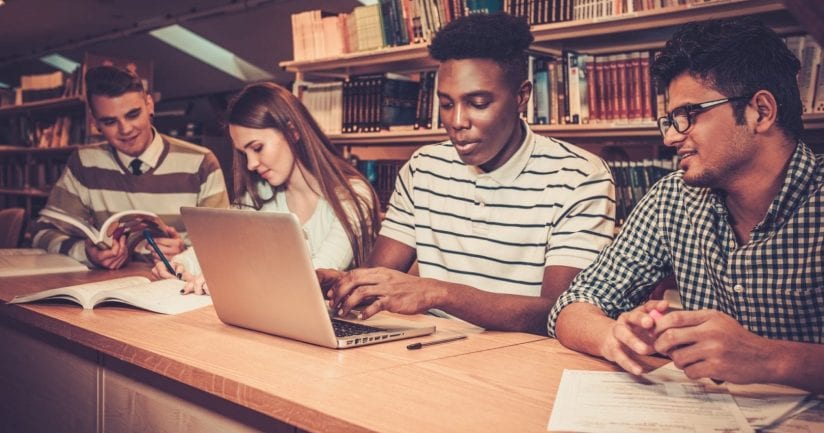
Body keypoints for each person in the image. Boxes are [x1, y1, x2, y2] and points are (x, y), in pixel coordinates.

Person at [549, 18, 823, 392]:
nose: (670, 137)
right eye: (670, 120)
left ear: (760, 111)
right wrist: (615, 335)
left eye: (687, 116)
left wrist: (766, 357)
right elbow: (572, 306)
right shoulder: (674, 197)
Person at [320, 12, 615, 335]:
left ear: (522, 97)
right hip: (430, 354)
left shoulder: (580, 177)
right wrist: (352, 287)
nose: (457, 121)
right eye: (446, 104)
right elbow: (381, 277)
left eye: (477, 102)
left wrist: (438, 292)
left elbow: (561, 311)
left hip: (523, 363)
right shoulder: (423, 169)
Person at [153, 82, 381, 294]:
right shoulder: (259, 195)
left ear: (292, 131)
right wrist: (180, 263)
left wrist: (231, 279)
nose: (251, 164)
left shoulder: (353, 195)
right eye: (245, 154)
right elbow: (222, 245)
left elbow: (315, 275)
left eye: (258, 148)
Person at [32, 65, 229, 270]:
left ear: (150, 105)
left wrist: (185, 253)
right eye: (109, 121)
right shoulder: (84, 163)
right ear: (94, 122)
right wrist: (87, 253)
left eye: (133, 114)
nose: (125, 129)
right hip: (109, 287)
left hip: (177, 288)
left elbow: (225, 244)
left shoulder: (201, 162)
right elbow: (42, 233)